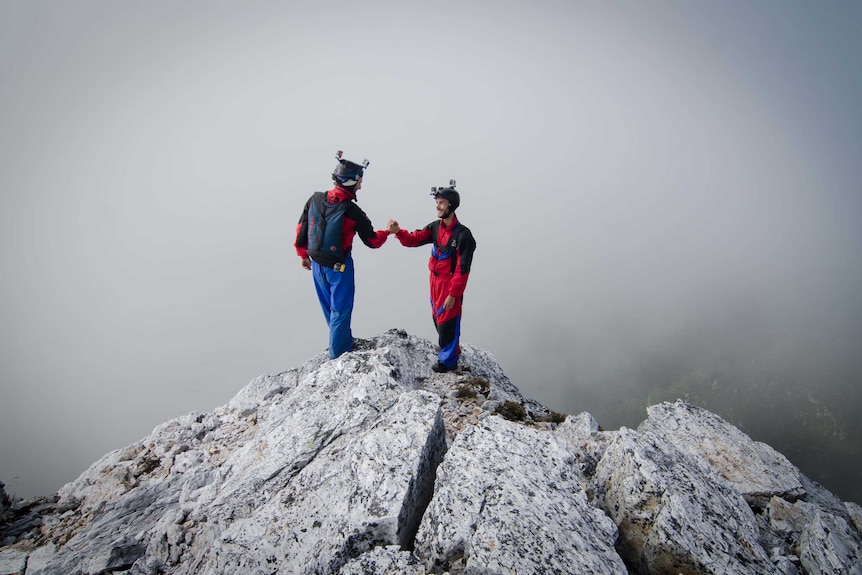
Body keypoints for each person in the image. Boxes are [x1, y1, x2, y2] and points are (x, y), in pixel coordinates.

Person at [294, 151, 391, 359]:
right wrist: (388, 232)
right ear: (350, 182)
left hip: (317, 264)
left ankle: (342, 340)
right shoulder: (352, 211)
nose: (360, 187)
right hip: (339, 268)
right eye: (359, 182)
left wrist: (303, 255)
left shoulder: (315, 199)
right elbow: (373, 241)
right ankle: (339, 357)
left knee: (330, 310)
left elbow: (302, 227)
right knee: (341, 309)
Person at [388, 181, 476, 373]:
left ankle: (448, 362)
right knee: (438, 318)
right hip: (434, 282)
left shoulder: (463, 236)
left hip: (449, 285)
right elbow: (414, 239)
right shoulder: (436, 228)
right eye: (437, 202)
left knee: (448, 322)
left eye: (442, 202)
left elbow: (463, 270)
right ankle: (449, 349)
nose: (437, 206)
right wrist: (398, 232)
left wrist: (453, 294)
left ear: (451, 205)